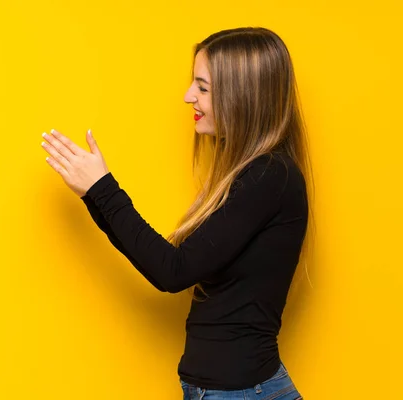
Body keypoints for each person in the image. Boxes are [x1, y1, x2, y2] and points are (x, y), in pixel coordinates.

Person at [41, 26, 312, 400]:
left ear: (242, 95)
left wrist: (103, 189)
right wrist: (94, 191)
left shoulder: (269, 176)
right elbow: (168, 264)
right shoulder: (257, 175)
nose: (188, 97)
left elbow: (172, 270)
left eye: (203, 87)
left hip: (242, 392)